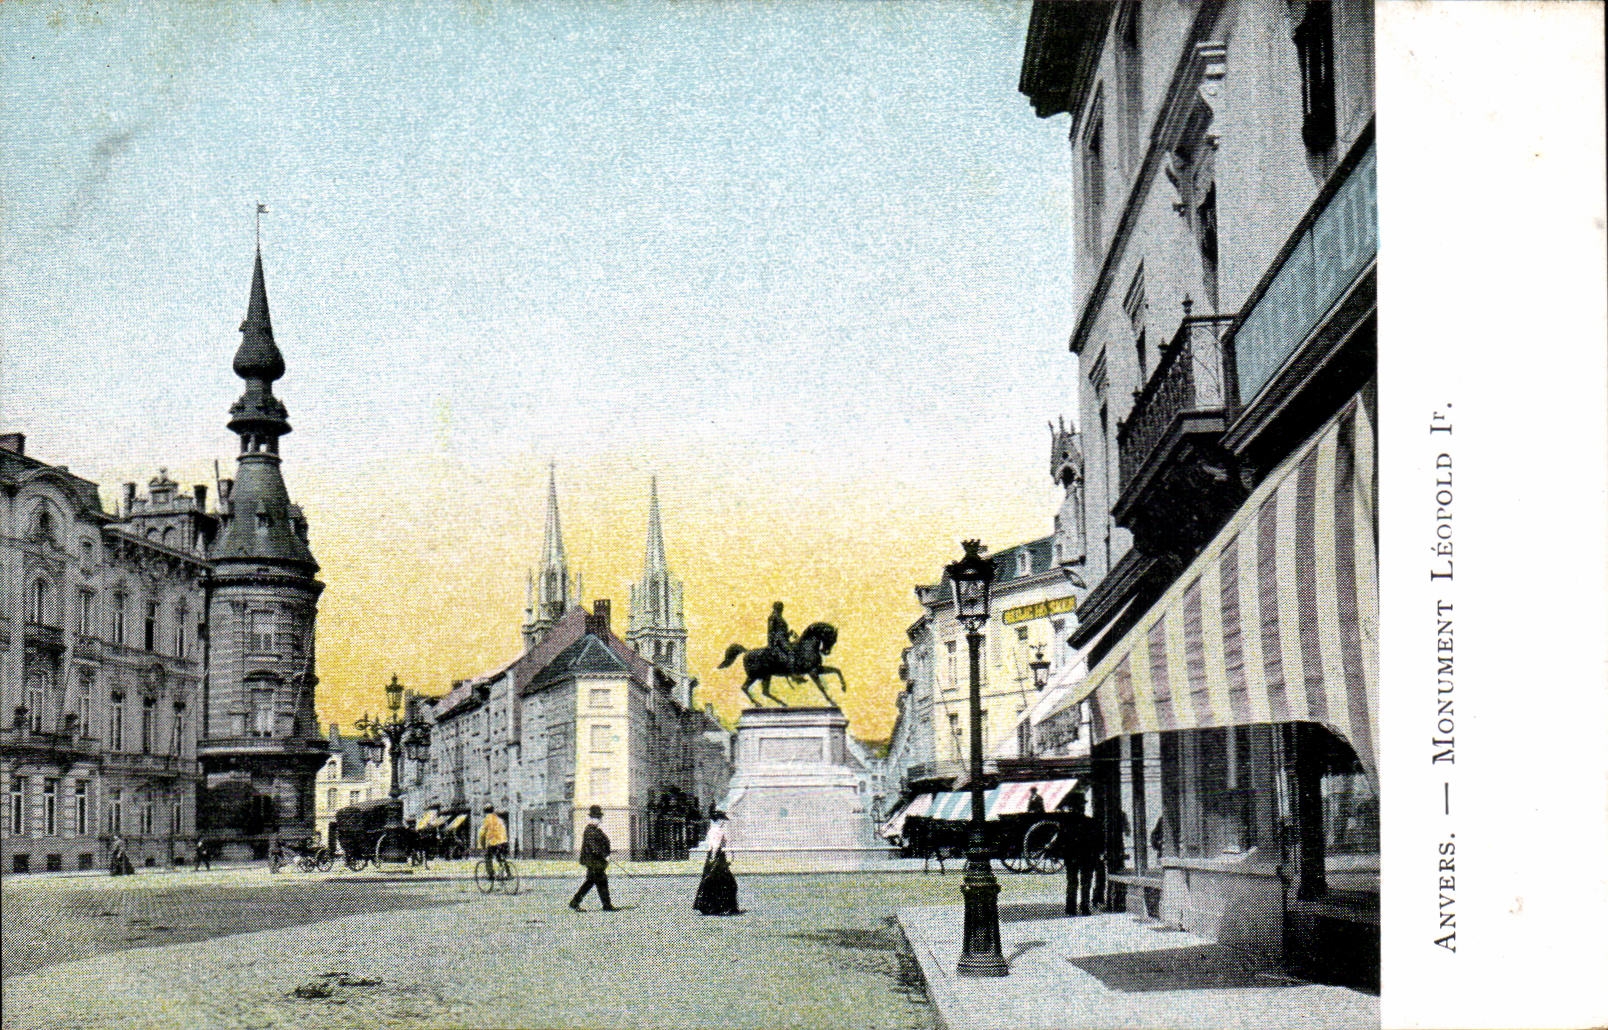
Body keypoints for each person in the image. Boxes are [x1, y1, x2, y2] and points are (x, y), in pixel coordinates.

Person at [570, 804, 617, 912]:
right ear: (590, 818)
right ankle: (606, 905)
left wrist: (606, 853)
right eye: (596, 818)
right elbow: (594, 847)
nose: (599, 820)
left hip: (596, 862)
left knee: (594, 882)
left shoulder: (595, 830)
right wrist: (605, 855)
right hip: (593, 861)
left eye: (599, 818)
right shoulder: (590, 831)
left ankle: (605, 905)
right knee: (597, 882)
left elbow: (603, 843)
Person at [693, 811, 741, 915]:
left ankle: (712, 906)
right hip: (717, 857)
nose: (724, 822)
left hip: (713, 857)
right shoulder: (718, 831)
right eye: (722, 820)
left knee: (713, 881)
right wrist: (714, 858)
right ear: (719, 820)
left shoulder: (712, 831)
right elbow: (716, 846)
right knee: (726, 882)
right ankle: (724, 906)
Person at [1060, 793, 1099, 916]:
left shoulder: (1066, 824)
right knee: (1085, 883)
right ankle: (1085, 908)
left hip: (1072, 857)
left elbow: (1062, 842)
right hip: (1087, 857)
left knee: (1072, 882)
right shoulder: (1091, 822)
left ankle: (1071, 908)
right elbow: (1097, 841)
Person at [478, 804, 508, 871]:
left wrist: (482, 846)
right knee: (500, 857)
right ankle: (508, 873)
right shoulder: (499, 819)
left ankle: (491, 875)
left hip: (494, 843)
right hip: (504, 842)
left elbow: (482, 833)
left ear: (485, 812)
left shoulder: (487, 819)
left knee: (488, 857)